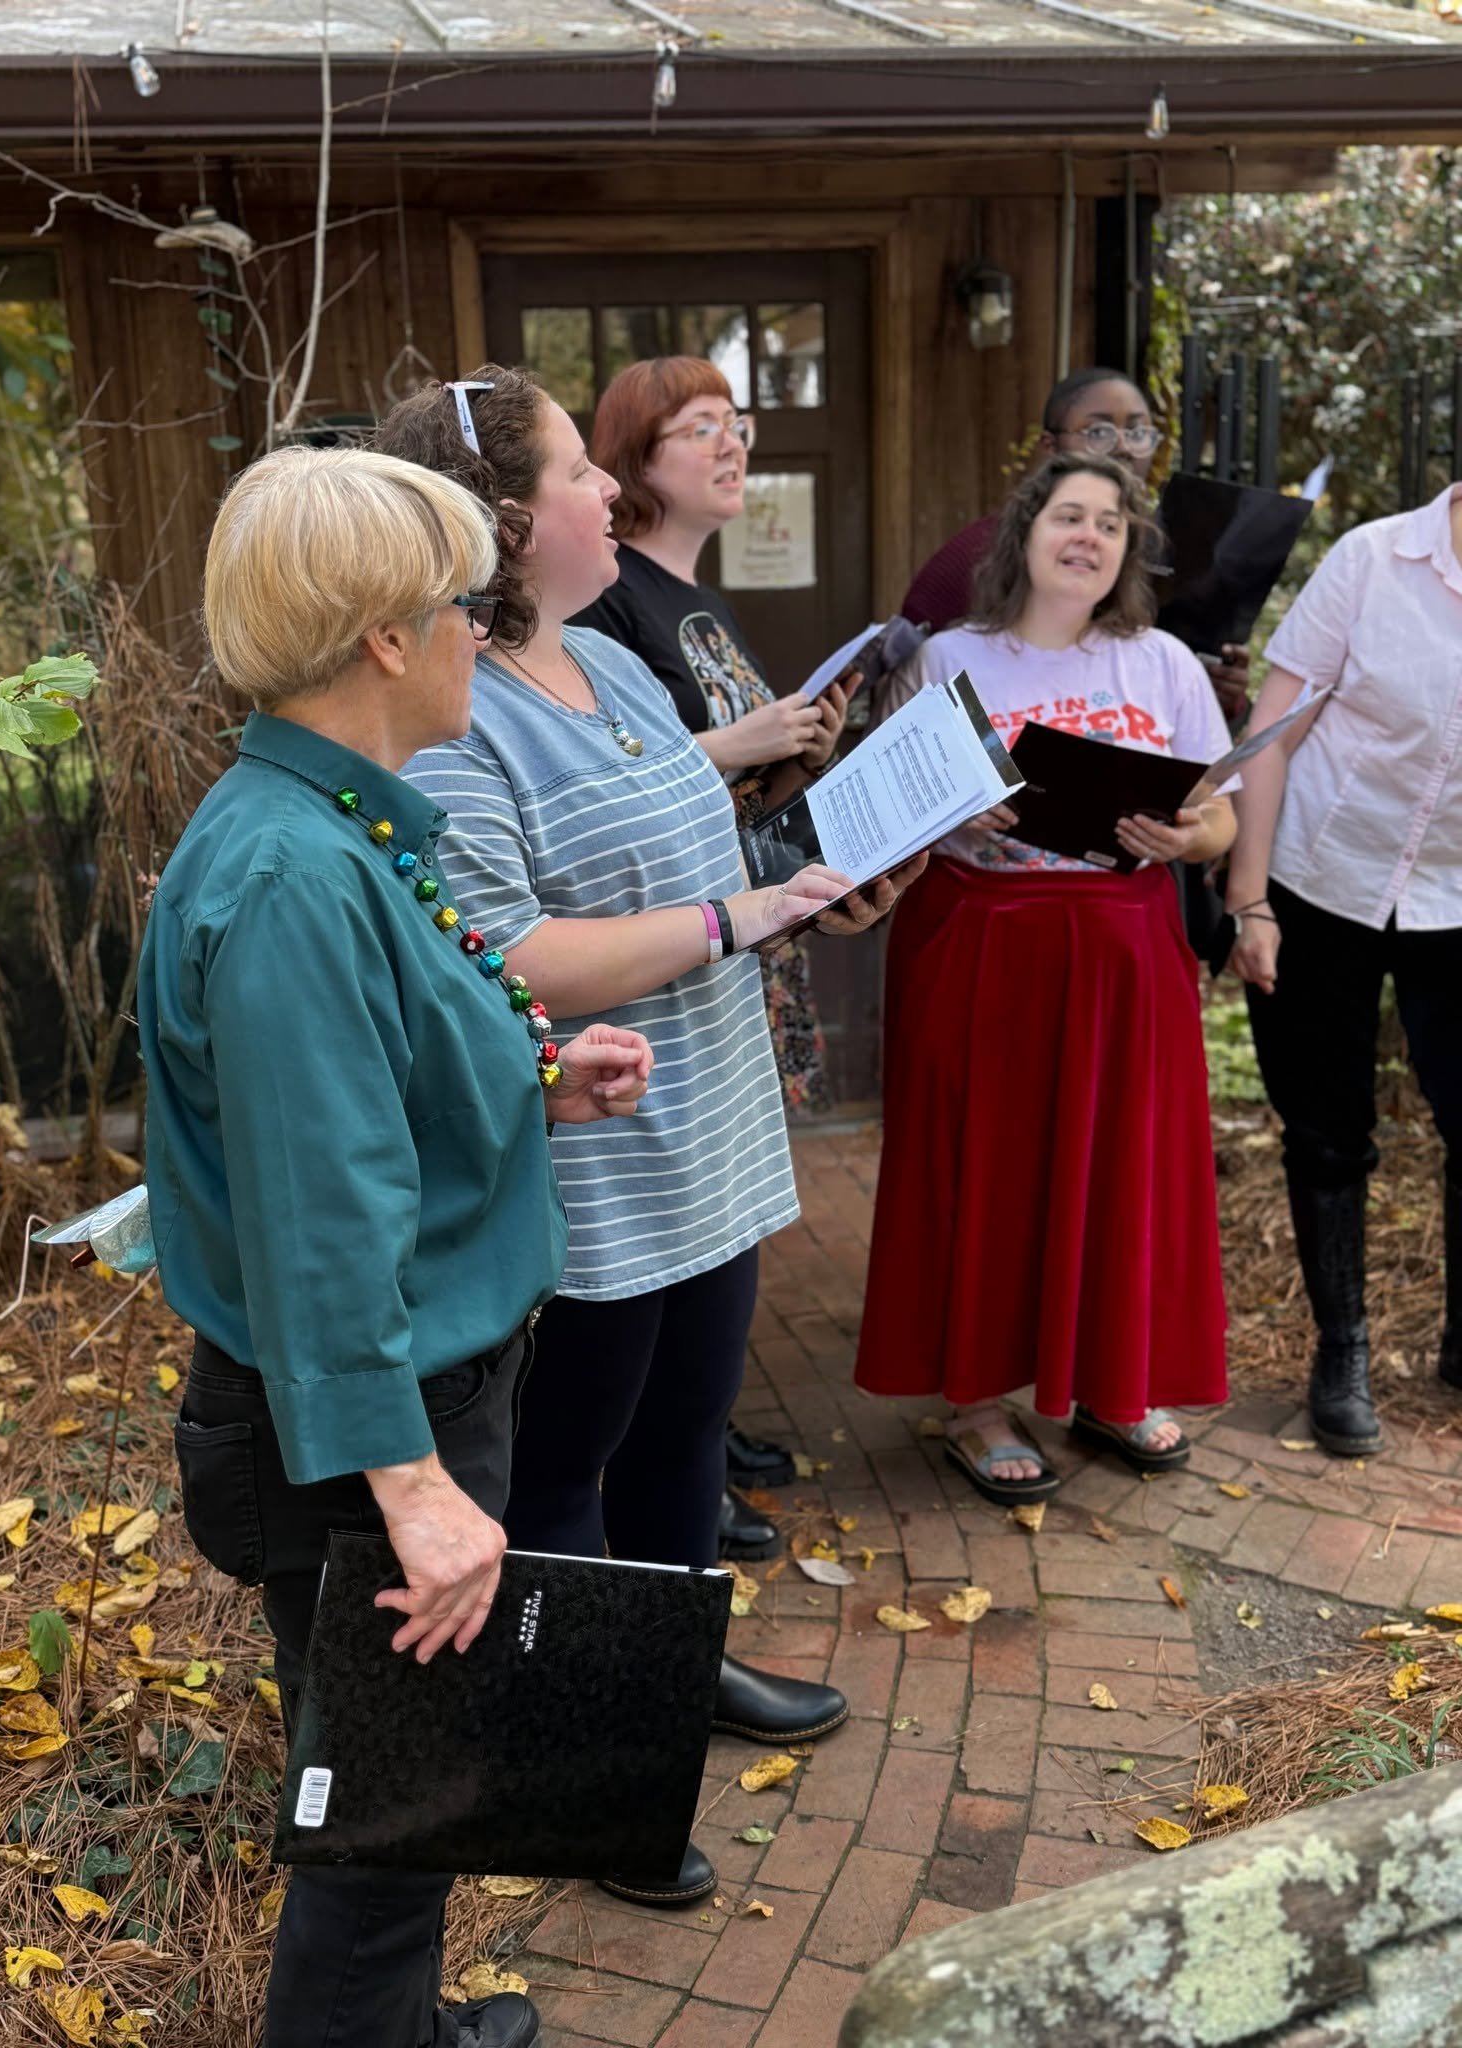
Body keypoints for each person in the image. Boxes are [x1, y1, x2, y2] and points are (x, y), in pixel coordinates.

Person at [372, 369, 918, 1908]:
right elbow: (512, 954)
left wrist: (816, 883)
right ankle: (595, 1773)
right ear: (498, 523)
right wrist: (738, 914)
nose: (609, 494)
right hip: (590, 1158)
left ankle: (676, 1673)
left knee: (688, 1436)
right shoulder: (449, 713)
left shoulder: (607, 669)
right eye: (576, 475)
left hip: (710, 1131)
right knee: (567, 1474)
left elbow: (705, 853)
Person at [139, 445, 654, 2048]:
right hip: (371, 1430)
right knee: (386, 1818)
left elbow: (362, 1098)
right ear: (379, 637)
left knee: (407, 1791)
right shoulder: (293, 877)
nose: (480, 637)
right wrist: (413, 1486)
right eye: (460, 606)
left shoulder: (337, 821)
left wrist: (530, 1080)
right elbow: (317, 1216)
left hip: (404, 1402)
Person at [855, 453, 1236, 1501]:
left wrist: (1186, 830)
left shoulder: (1162, 662)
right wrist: (950, 805)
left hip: (1125, 951)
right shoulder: (950, 659)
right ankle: (975, 1401)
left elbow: (1223, 818)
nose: (1089, 536)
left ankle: (1115, 1384)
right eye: (1069, 515)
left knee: (1124, 1166)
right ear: (1022, 532)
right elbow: (886, 809)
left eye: (1111, 524)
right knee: (983, 1167)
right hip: (984, 945)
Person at [578, 353, 850, 1520]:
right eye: (701, 427)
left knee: (726, 1215)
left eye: (738, 423)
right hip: (675, 946)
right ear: (634, 458)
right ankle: (668, 1462)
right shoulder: (608, 601)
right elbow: (609, 786)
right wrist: (747, 745)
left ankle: (701, 1437)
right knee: (682, 1205)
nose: (733, 444)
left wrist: (802, 750)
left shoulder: (694, 596)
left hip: (744, 921)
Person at [1226, 479, 1462, 1457]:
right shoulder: (1372, 561)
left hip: (1457, 894)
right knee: (1328, 1128)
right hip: (1324, 872)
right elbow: (1271, 738)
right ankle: (1343, 1348)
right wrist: (1251, 900)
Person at [902, 365, 1250, 723]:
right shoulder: (976, 554)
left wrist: (1219, 690)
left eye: (1138, 431)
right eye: (1098, 432)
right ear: (1050, 447)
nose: (1123, 447)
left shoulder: (1166, 569)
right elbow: (908, 662)